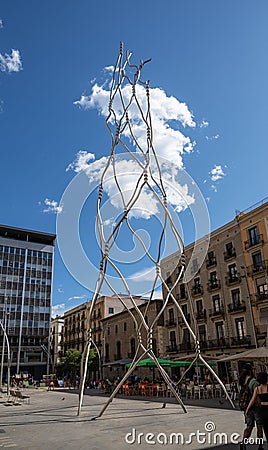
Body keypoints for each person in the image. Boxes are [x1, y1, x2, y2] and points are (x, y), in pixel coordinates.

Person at [239, 364, 262, 450]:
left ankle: (243, 442)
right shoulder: (253, 382)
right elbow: (257, 396)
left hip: (246, 407)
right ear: (250, 371)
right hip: (255, 407)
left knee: (249, 426)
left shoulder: (241, 382)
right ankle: (260, 446)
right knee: (259, 426)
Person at [246, 372, 268, 446]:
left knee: (266, 429)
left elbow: (252, 400)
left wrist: (247, 409)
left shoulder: (257, 389)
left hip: (262, 410)